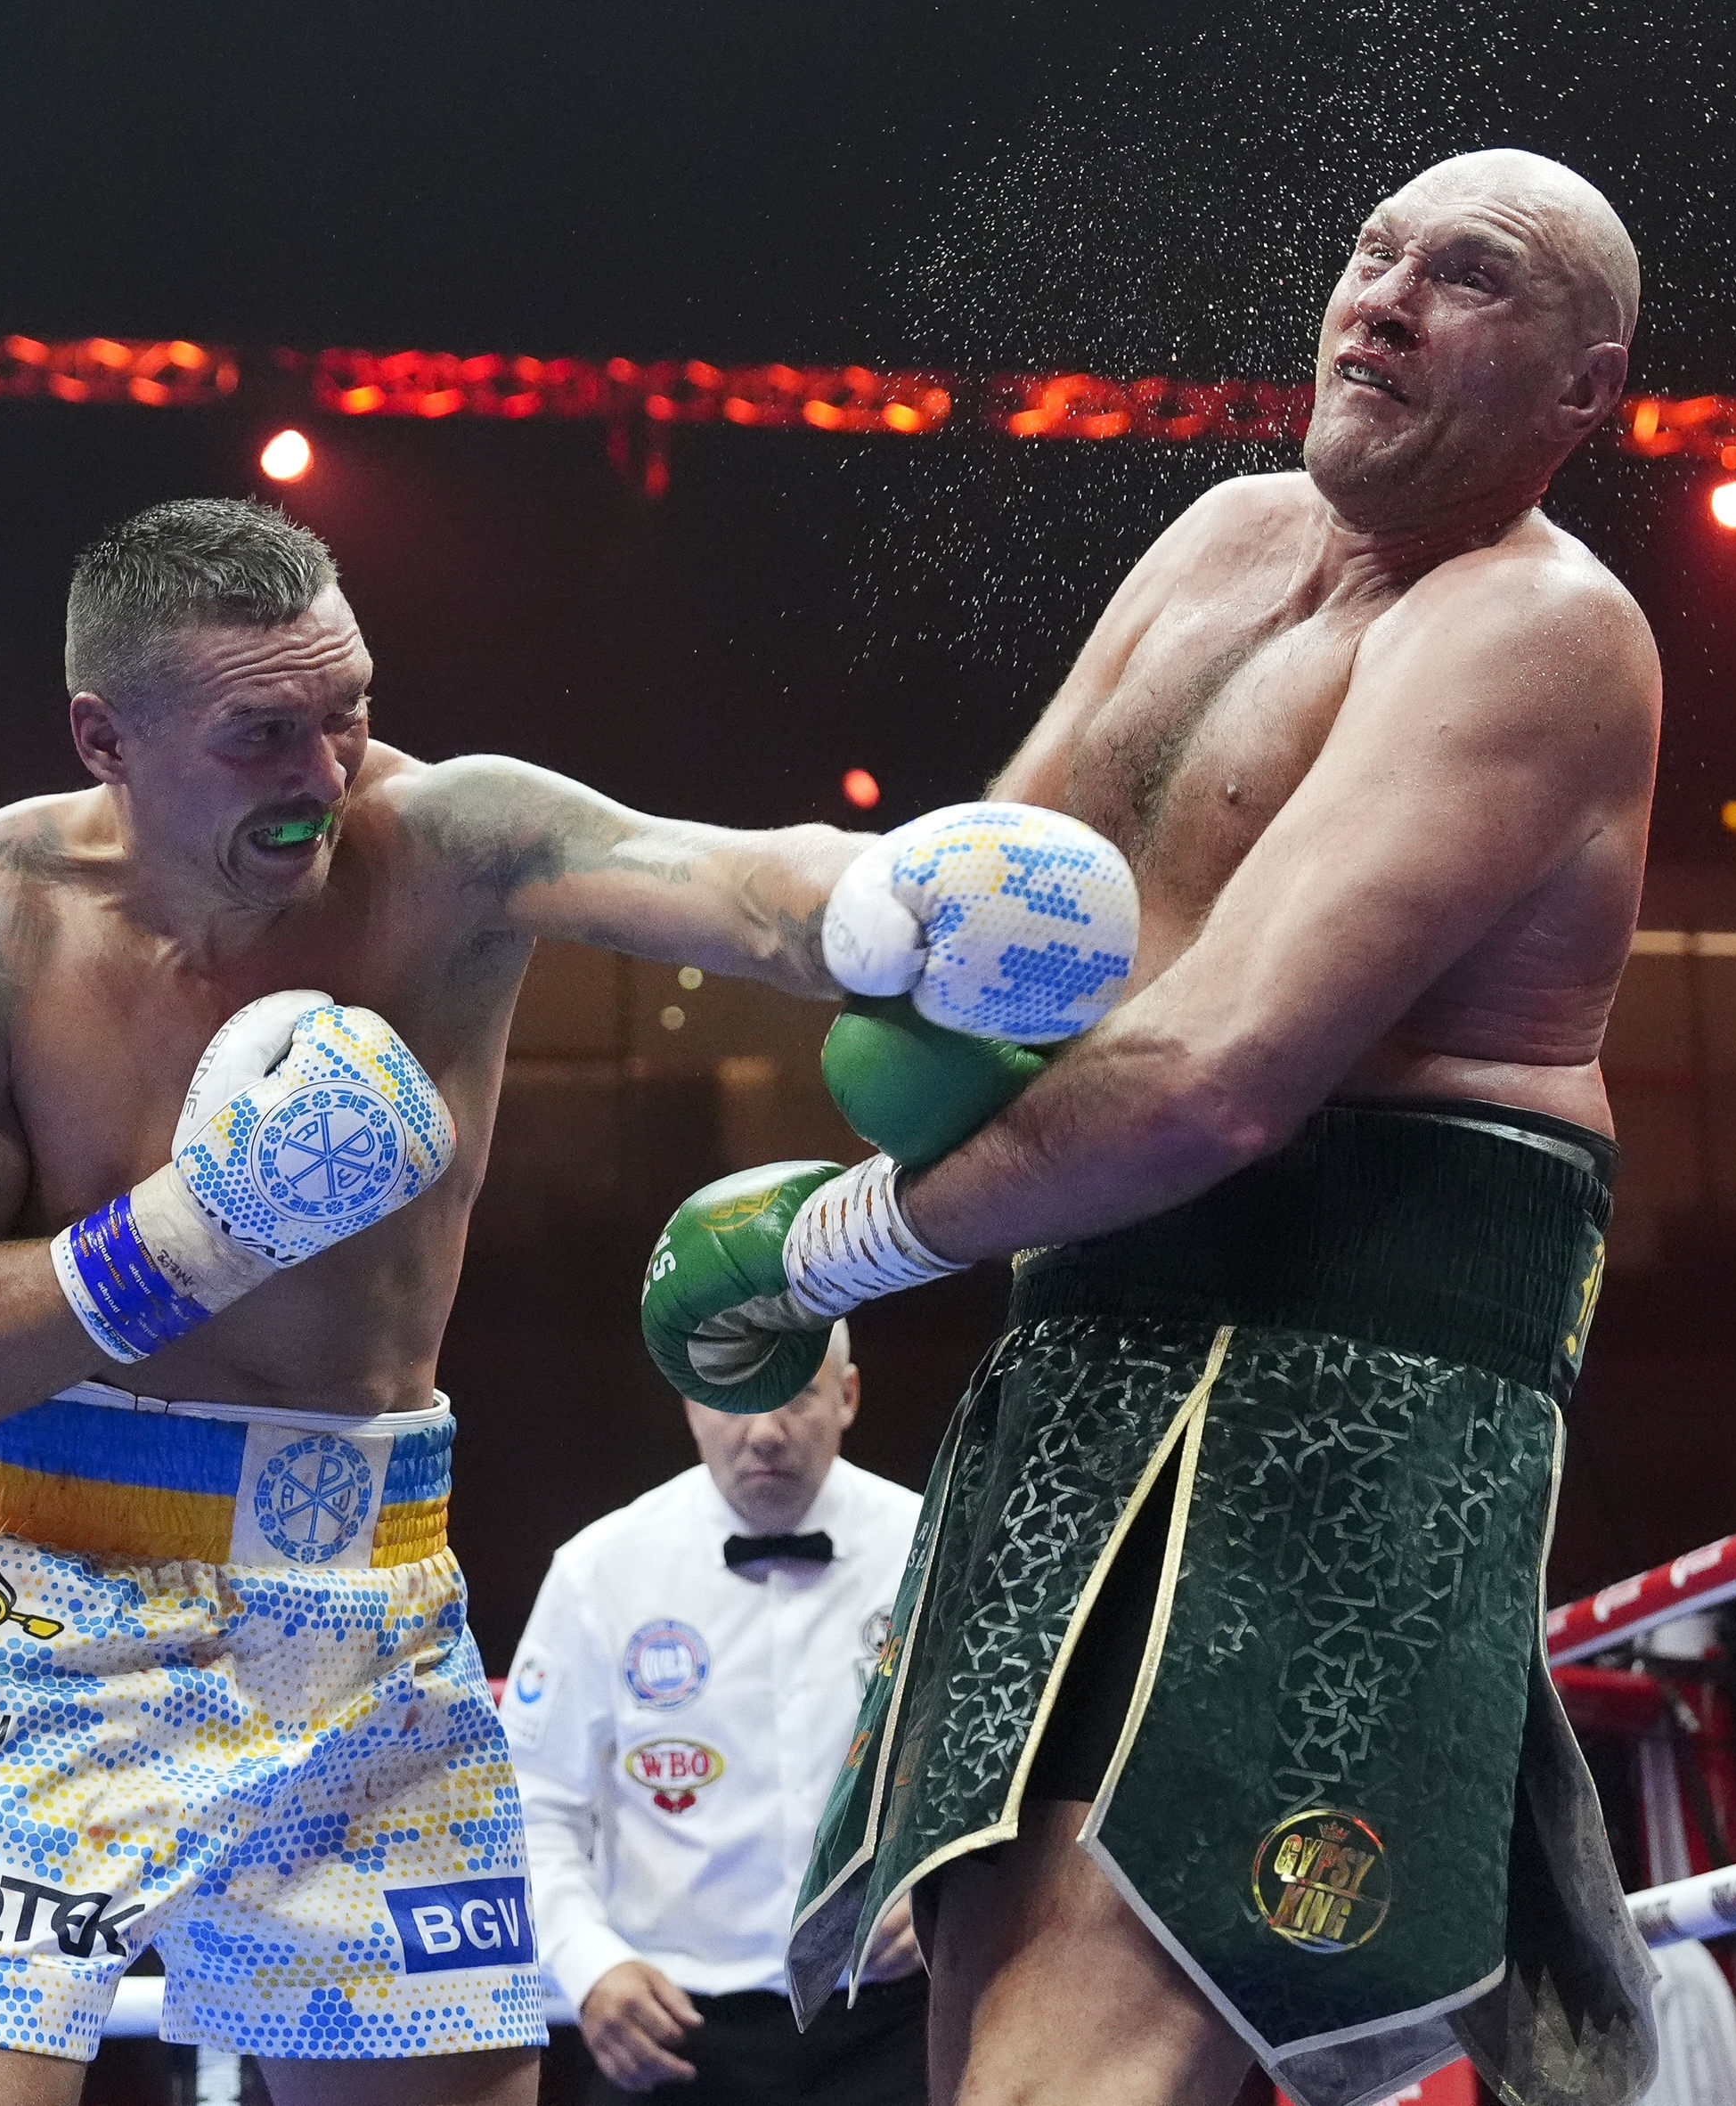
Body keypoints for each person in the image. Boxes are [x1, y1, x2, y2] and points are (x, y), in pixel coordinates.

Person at [0, 497, 1125, 2106]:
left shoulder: (456, 841)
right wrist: (194, 1232)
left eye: (347, 710)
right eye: (262, 733)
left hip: (359, 1598)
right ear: (105, 737)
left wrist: (895, 905)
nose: (325, 773)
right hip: (33, 1597)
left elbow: (719, 878)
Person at [640, 150, 1667, 2106]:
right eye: (1371, 255)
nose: (1381, 299)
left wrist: (832, 1246)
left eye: (1465, 279)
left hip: (1347, 1375)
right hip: (1090, 1338)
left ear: (1581, 389)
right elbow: (968, 927)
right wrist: (640, 881)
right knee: (988, 2042)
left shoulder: (1536, 631)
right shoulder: (1216, 543)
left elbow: (1216, 1075)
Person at [505, 1325, 927, 2106]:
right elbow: (530, 1803)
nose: (764, 1433)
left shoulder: (931, 1547)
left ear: (847, 1395)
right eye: (736, 1400)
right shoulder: (599, 1571)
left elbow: (1007, 1772)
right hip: (672, 2025)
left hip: (894, 2016)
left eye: (796, 1396)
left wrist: (945, 1888)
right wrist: (588, 1964)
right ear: (691, 1403)